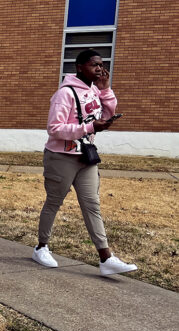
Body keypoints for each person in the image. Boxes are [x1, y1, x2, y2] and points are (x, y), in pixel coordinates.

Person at [32, 49, 137, 276]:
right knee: (54, 202)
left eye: (101, 64)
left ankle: (105, 258)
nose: (99, 68)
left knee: (92, 205)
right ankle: (41, 247)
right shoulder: (65, 93)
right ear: (80, 67)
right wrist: (89, 127)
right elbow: (54, 129)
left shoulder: (94, 90)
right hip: (61, 157)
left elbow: (107, 112)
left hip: (86, 157)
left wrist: (106, 89)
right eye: (94, 65)